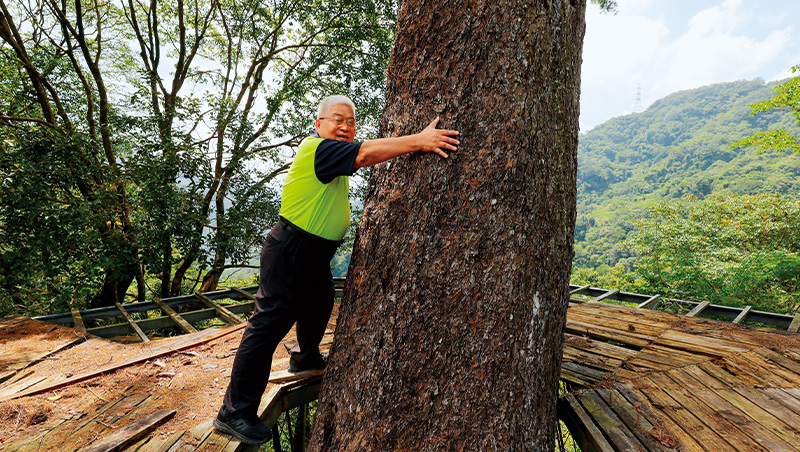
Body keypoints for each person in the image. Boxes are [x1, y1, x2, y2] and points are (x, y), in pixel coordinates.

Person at [213, 95, 460, 445]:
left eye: (351, 122)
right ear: (319, 124)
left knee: (320, 299)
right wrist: (420, 140)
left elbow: (361, 154)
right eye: (337, 120)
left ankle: (304, 356)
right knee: (266, 328)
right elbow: (365, 154)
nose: (345, 127)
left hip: (312, 253)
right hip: (292, 250)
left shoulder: (329, 155)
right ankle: (234, 412)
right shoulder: (317, 148)